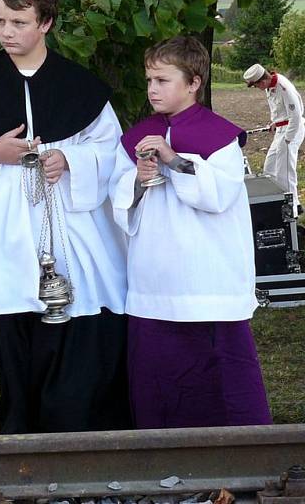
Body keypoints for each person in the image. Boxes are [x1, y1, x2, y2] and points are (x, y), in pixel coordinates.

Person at [0, 0, 130, 435]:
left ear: (45, 23)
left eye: (19, 23)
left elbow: (111, 150)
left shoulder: (80, 87)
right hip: (6, 235)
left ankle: (78, 443)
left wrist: (69, 157)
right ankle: (22, 450)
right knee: (14, 346)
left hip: (72, 235)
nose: (7, 32)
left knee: (74, 347)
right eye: (1, 21)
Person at [111, 36, 272, 428]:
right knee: (159, 380)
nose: (152, 89)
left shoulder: (220, 137)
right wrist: (138, 177)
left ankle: (240, 453)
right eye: (149, 79)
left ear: (194, 82)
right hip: (154, 283)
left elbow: (218, 195)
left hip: (209, 282)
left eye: (163, 80)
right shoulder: (138, 135)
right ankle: (161, 459)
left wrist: (173, 160)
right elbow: (117, 197)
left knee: (223, 382)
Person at [243, 63, 304, 212]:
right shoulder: (270, 86)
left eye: (256, 86)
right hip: (281, 129)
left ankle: (293, 206)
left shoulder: (283, 87)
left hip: (292, 130)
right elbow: (280, 110)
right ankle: (272, 200)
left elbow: (295, 116)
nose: (258, 88)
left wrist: (288, 139)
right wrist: (275, 122)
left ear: (262, 81)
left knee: (285, 171)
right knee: (269, 167)